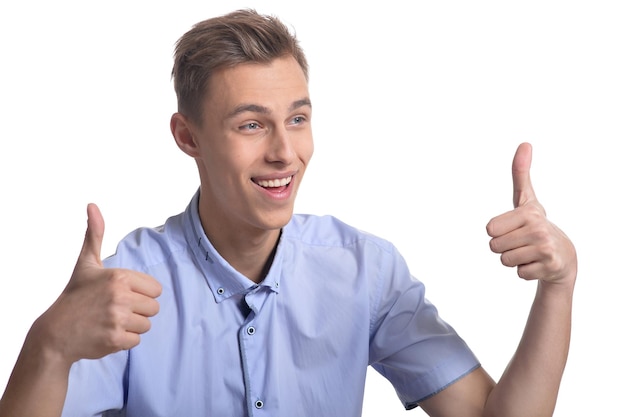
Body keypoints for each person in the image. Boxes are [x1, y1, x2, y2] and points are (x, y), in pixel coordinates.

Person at [0, 8, 577, 417]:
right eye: (252, 124)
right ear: (188, 137)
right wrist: (47, 344)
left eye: (297, 119)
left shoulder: (365, 272)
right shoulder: (128, 288)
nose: (284, 151)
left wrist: (559, 286)